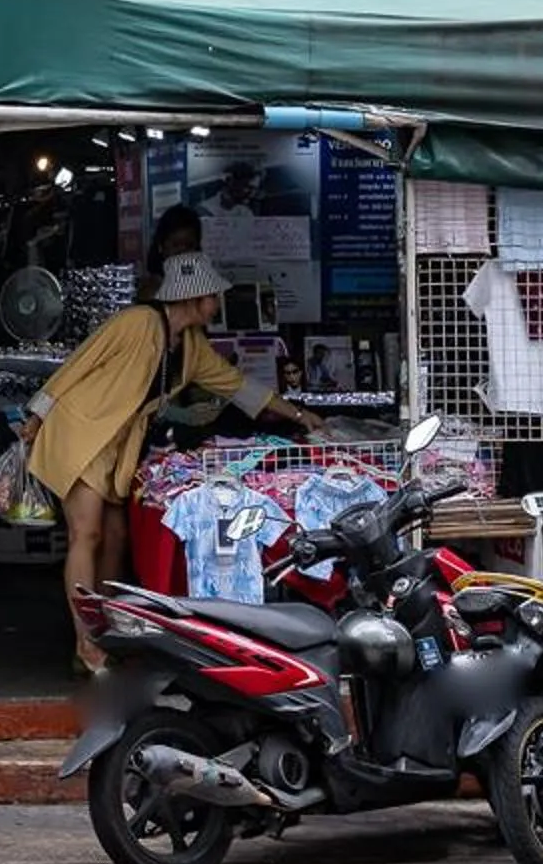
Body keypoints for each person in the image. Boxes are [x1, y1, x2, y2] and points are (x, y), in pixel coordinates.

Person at [24, 250, 321, 671]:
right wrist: (37, 415)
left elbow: (236, 385)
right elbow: (77, 364)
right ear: (194, 298)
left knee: (117, 537)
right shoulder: (135, 323)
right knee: (86, 536)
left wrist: (297, 413)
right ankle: (86, 645)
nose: (218, 304)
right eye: (213, 296)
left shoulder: (192, 346)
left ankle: (104, 631)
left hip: (118, 447)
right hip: (82, 434)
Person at [135, 205, 203, 302]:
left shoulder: (201, 287)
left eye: (189, 246)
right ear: (161, 247)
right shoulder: (152, 292)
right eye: (175, 245)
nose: (182, 253)